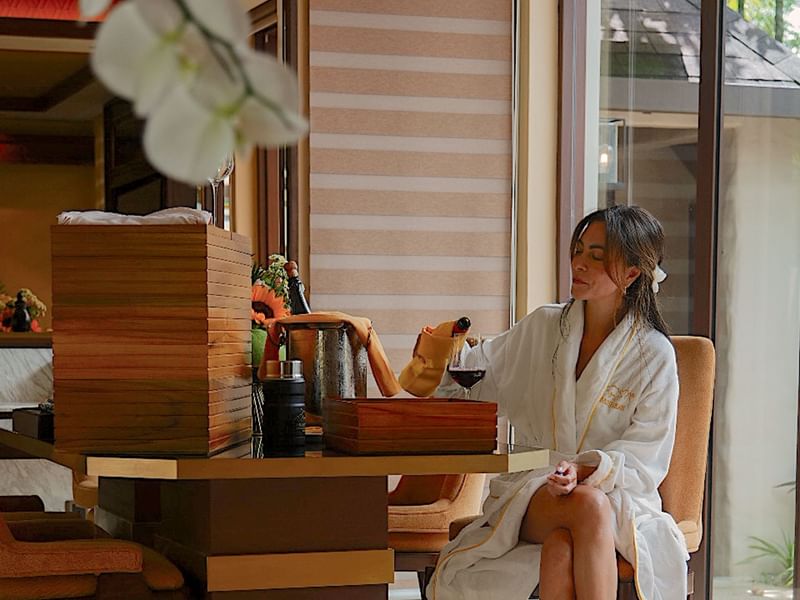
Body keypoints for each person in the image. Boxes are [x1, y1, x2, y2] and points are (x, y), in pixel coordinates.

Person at [428, 206, 687, 600]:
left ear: (632, 274)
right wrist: (440, 354)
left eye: (596, 256)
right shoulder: (544, 327)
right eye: (578, 250)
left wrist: (586, 469)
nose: (579, 263)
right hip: (536, 491)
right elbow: (468, 381)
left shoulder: (653, 354)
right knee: (588, 508)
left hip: (618, 499)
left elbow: (647, 457)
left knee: (561, 551)